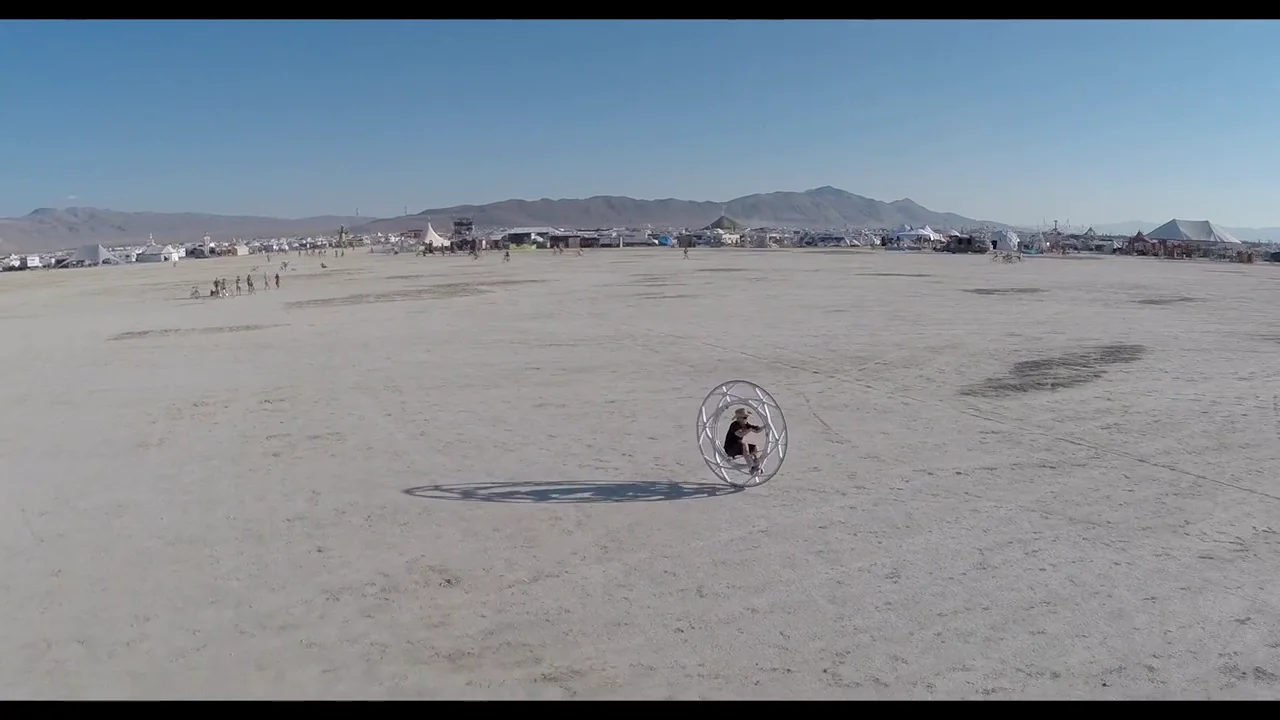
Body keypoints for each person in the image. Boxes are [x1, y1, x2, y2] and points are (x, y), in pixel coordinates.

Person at [723, 407, 764, 474]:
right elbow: (740, 435)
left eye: (747, 417)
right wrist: (750, 430)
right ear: (738, 418)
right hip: (730, 449)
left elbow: (757, 430)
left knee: (755, 447)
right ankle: (751, 466)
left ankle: (756, 463)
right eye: (744, 418)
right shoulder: (734, 425)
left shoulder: (745, 425)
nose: (746, 419)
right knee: (744, 445)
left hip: (739, 447)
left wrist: (765, 427)